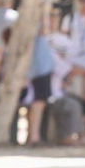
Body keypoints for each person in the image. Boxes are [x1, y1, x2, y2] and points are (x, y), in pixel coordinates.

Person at [24, 8, 60, 146]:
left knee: (38, 103)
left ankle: (33, 135)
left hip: (41, 69)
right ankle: (34, 136)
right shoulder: (35, 26)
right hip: (39, 69)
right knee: (37, 104)